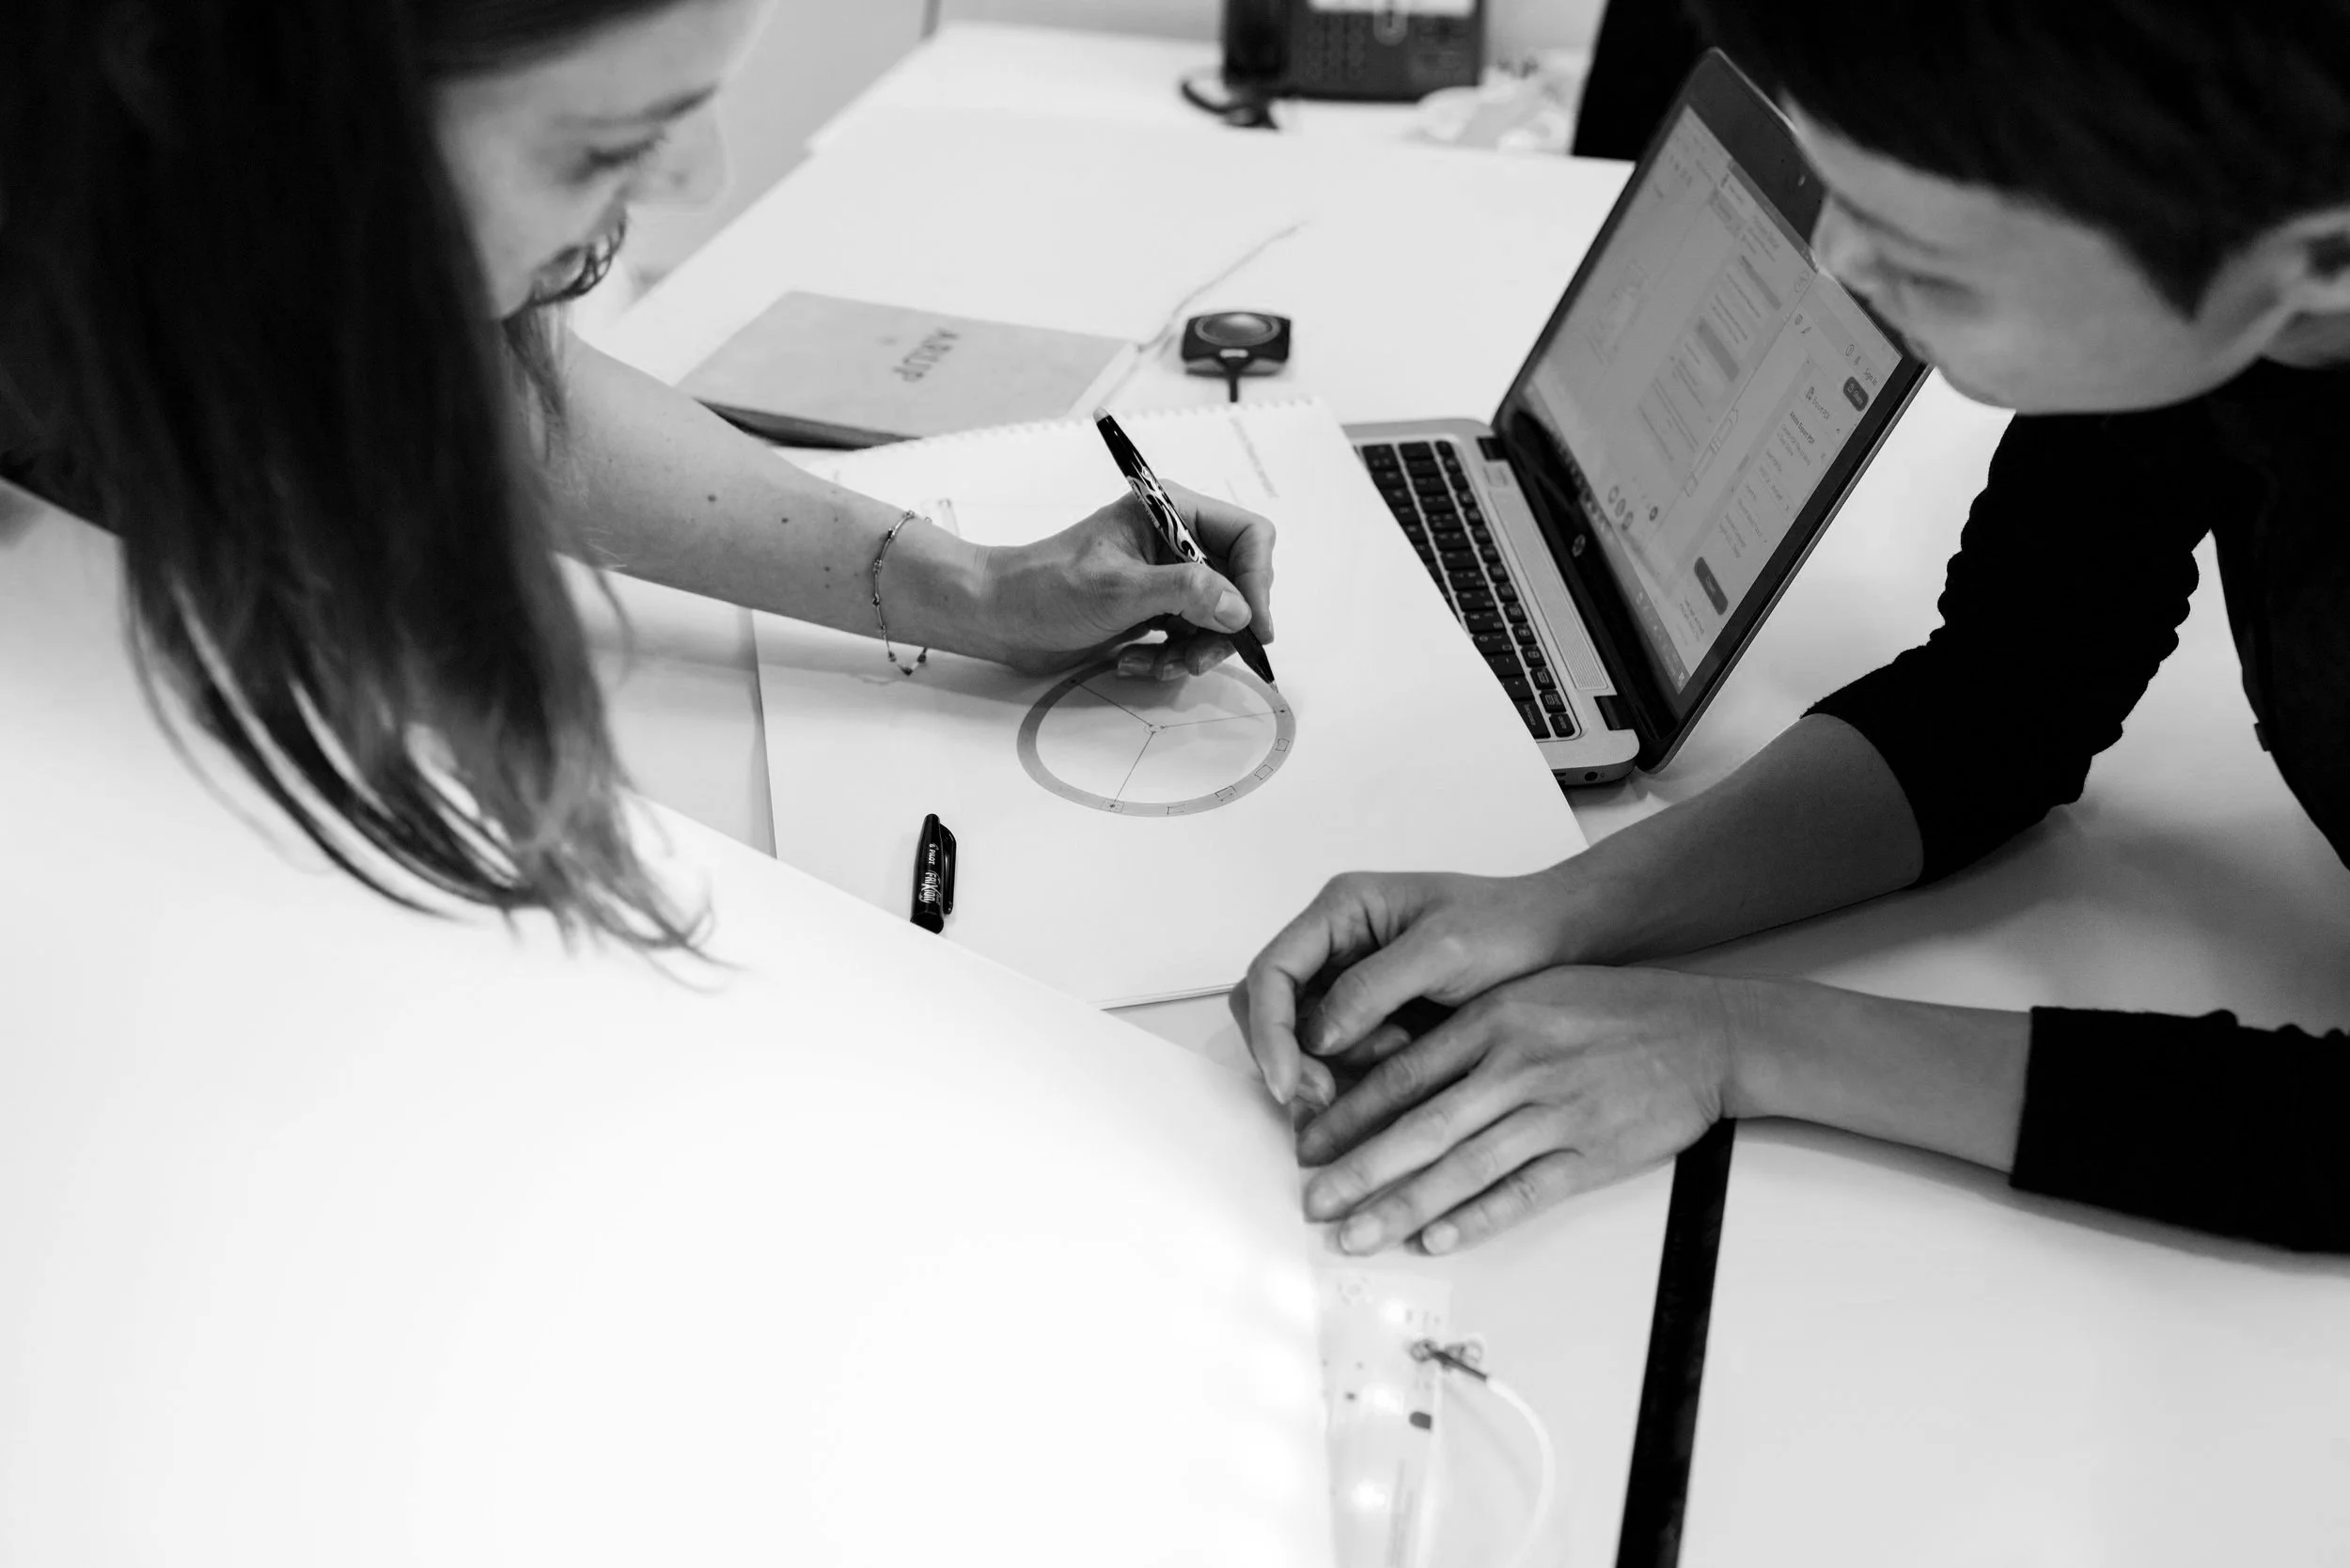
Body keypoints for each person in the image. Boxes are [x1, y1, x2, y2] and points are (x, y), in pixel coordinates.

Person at [1235, 0, 2350, 1256]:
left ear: (2317, 259)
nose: (1838, 265)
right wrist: (1557, 910)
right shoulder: (2185, 295)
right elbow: (2012, 693)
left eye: (1929, 259)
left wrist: (1735, 1040)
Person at [0, 0, 1276, 949]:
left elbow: (507, 399)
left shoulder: (255, 242)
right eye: (601, 144)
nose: (702, 175)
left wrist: (976, 591)